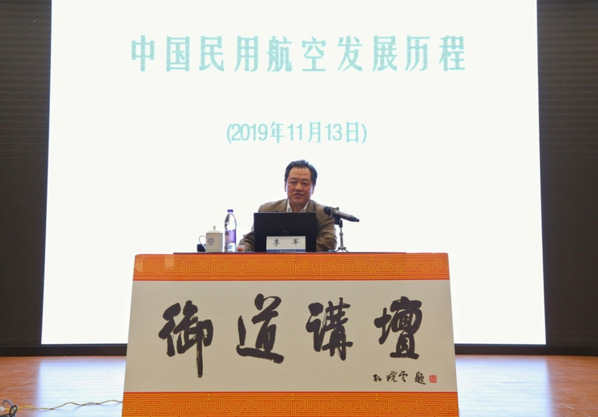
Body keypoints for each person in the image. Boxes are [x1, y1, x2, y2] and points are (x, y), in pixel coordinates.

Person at [237, 160, 337, 252]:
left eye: (304, 183)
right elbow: (250, 241)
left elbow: (329, 242)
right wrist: (243, 248)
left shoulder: (324, 214)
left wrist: (289, 248)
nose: (298, 188)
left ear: (313, 187)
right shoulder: (267, 209)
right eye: (293, 182)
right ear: (285, 185)